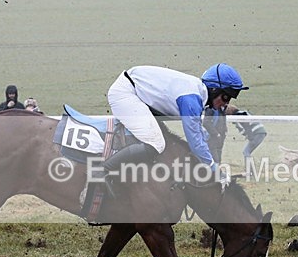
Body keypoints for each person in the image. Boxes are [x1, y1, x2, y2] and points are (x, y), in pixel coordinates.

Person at [104, 63, 248, 186]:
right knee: (156, 144)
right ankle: (102, 171)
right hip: (126, 93)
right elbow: (195, 141)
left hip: (136, 91)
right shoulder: (191, 100)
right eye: (226, 97)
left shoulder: (197, 94)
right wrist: (215, 170)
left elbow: (198, 132)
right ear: (214, 89)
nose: (226, 103)